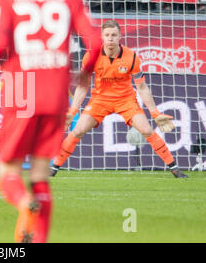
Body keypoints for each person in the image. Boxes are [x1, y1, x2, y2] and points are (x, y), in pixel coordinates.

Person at [0, 0, 102, 243]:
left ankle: (23, 204)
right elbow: (95, 41)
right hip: (56, 90)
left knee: (7, 168)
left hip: (21, 88)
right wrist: (84, 73)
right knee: (40, 175)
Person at [49, 20, 188, 179]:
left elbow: (142, 87)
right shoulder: (91, 56)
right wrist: (72, 111)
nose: (110, 38)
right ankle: (54, 168)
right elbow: (83, 85)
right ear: (101, 37)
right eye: (107, 35)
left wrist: (155, 113)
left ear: (120, 36)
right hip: (100, 100)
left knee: (147, 130)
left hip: (125, 100)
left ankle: (175, 169)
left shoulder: (131, 57)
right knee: (78, 130)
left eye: (114, 35)